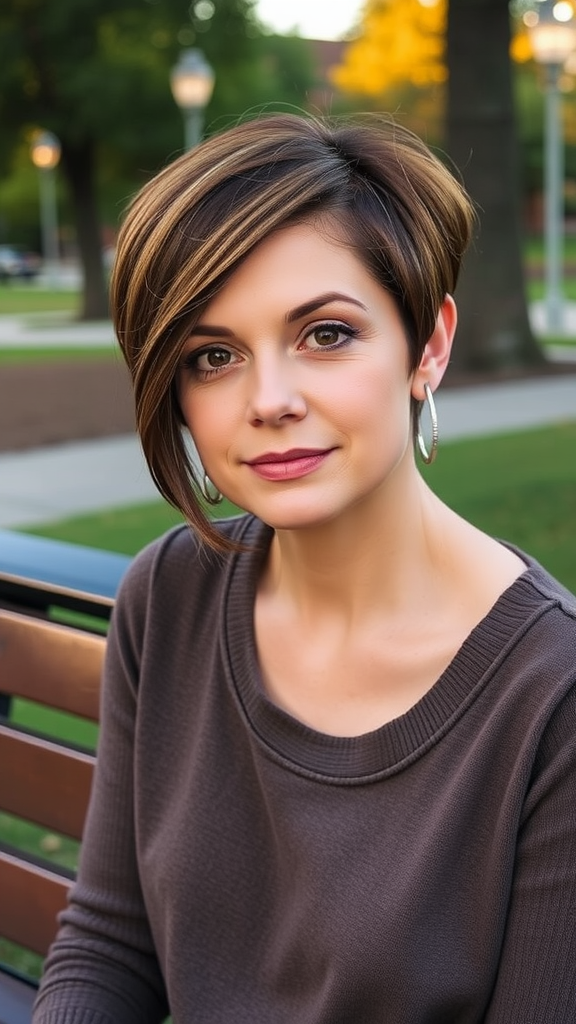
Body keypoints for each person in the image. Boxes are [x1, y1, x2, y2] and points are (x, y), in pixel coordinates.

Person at [33, 113, 576, 1024]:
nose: (269, 401)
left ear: (428, 345)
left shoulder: (550, 701)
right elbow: (110, 943)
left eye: (325, 334)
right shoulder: (167, 594)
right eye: (214, 356)